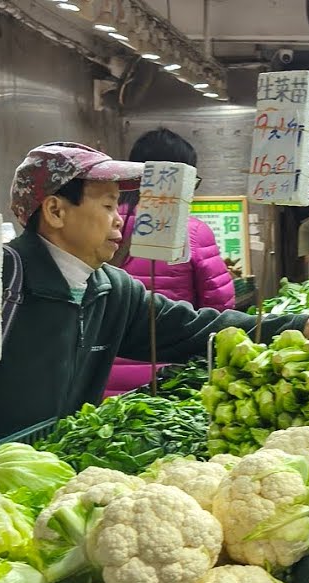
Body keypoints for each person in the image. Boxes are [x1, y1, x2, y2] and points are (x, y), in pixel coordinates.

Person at [0, 142, 309, 472]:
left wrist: (299, 325)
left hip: (49, 482)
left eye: (120, 204)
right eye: (107, 204)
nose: (120, 218)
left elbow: (192, 330)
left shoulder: (110, 288)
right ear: (56, 211)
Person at [105, 128, 235, 396]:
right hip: (170, 381)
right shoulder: (193, 232)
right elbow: (220, 308)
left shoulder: (101, 223)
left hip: (99, 377)